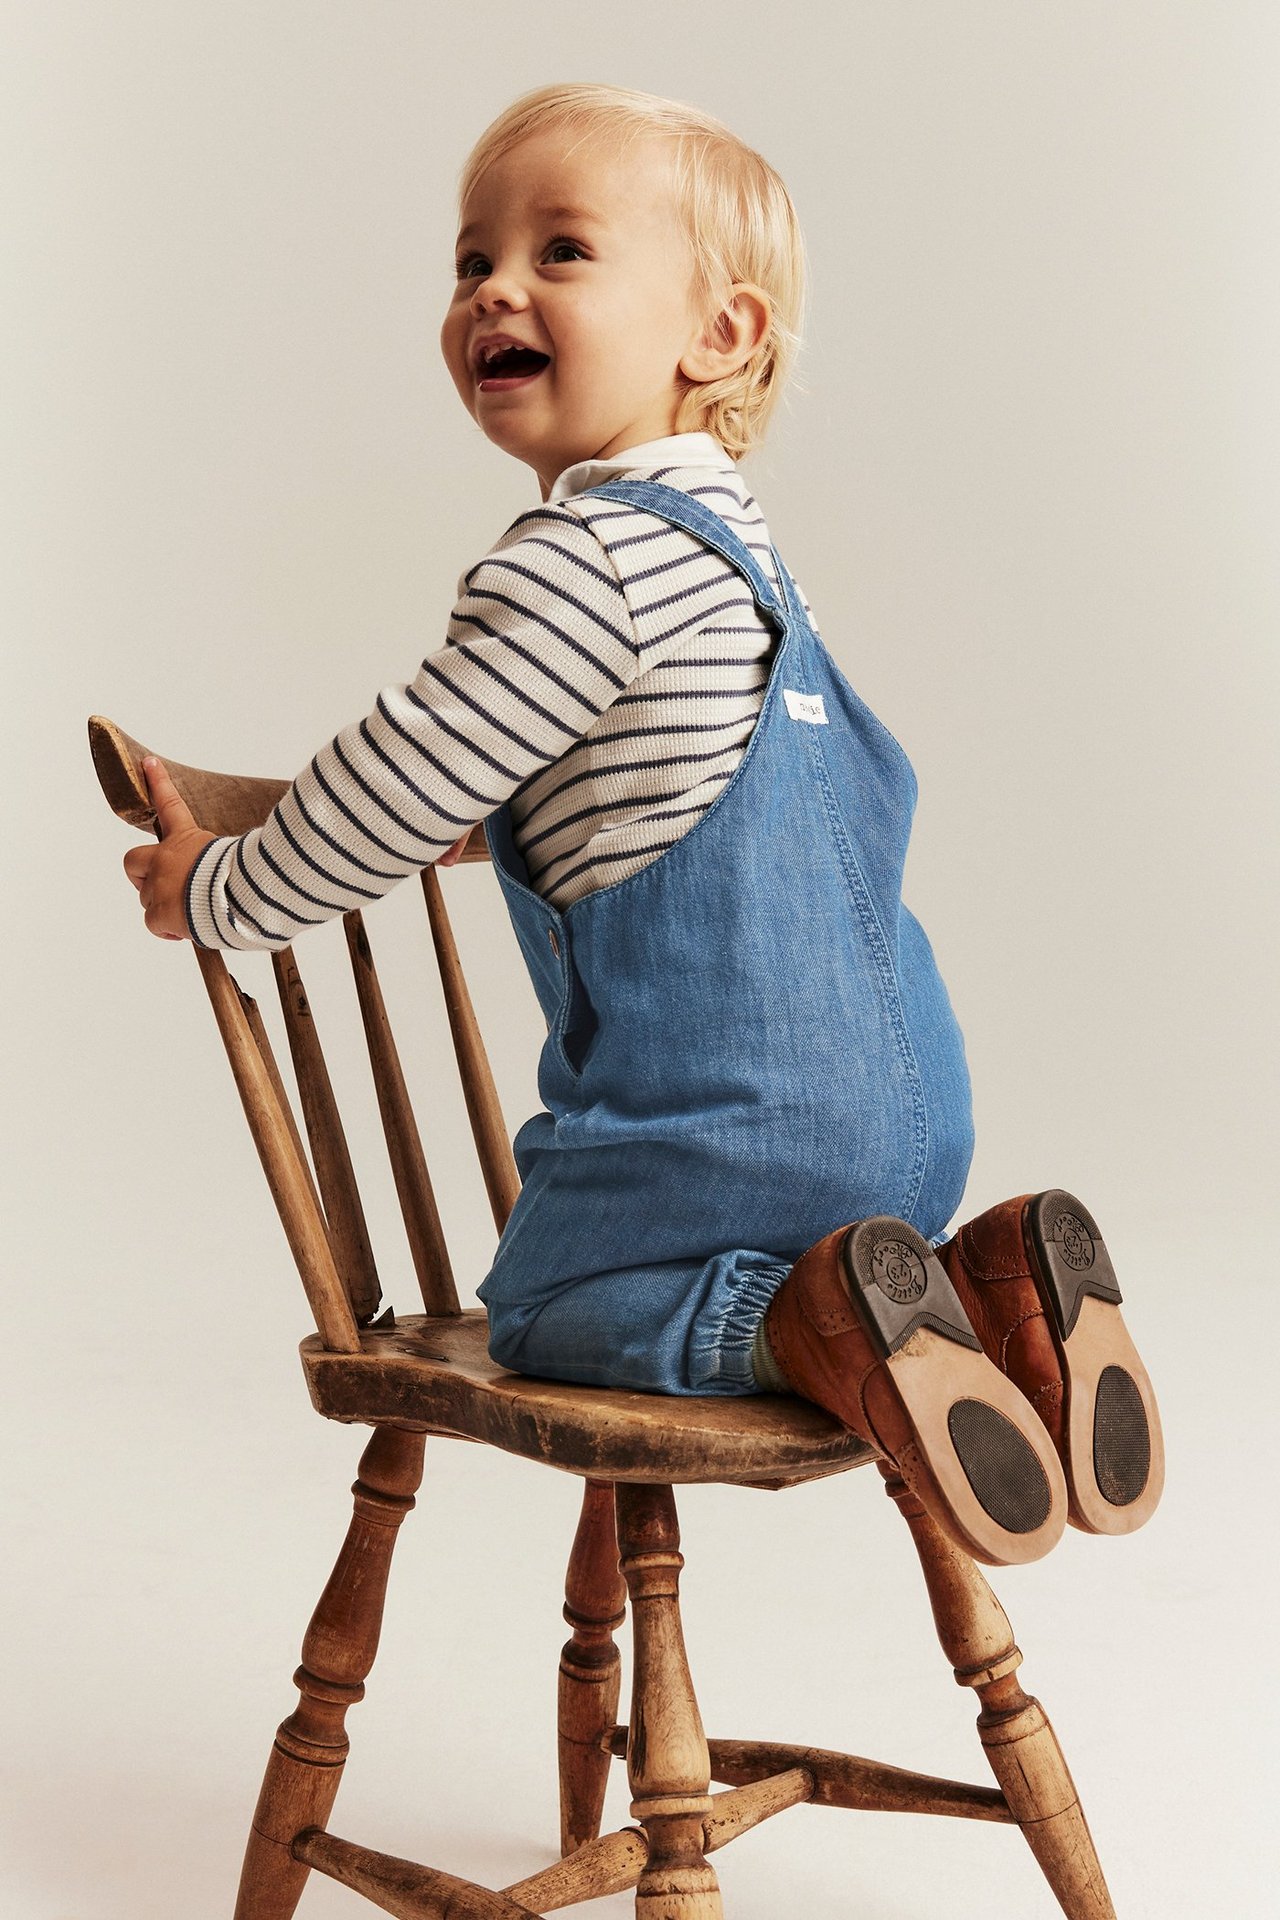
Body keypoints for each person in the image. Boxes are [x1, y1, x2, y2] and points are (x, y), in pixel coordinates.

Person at [123, 82, 1162, 1566]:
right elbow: (630, 780)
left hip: (715, 1141)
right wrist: (499, 823)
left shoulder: (583, 561)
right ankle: (991, 1291)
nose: (493, 288)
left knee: (545, 1308)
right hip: (909, 1126)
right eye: (471, 260)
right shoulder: (754, 574)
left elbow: (393, 779)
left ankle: (806, 1324)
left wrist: (222, 886)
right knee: (827, 1256)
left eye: (560, 251)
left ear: (719, 334)